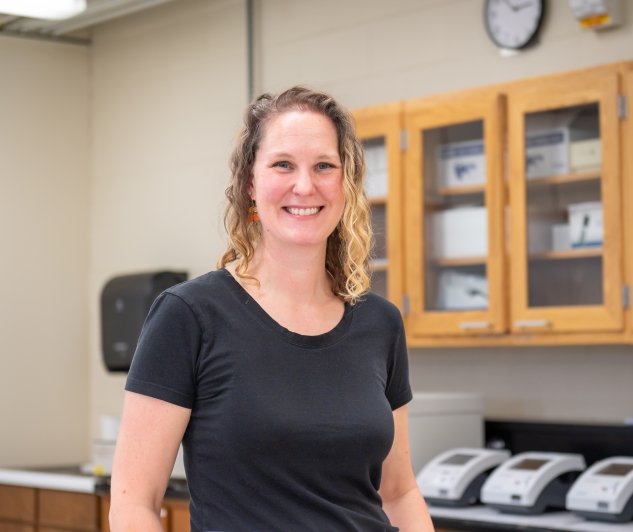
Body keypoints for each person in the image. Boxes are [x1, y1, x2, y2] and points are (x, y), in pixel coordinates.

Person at [109, 86, 434, 531]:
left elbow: (399, 493)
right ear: (250, 184)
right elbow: (133, 504)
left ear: (346, 183)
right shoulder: (189, 315)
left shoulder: (379, 323)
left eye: (324, 166)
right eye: (283, 165)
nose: (305, 185)